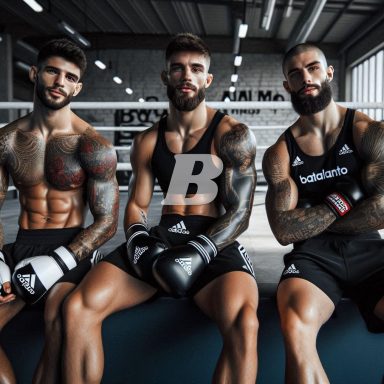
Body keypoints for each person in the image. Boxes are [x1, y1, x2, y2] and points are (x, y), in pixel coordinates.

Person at [63, 32, 258, 384]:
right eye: (178, 68)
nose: (187, 75)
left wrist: (201, 251)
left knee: (245, 321)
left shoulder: (231, 134)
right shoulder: (147, 140)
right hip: (163, 239)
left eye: (196, 69)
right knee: (79, 307)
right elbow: (137, 203)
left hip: (214, 243)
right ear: (165, 76)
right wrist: (138, 239)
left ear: (207, 80)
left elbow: (241, 211)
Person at [262, 42, 384, 383]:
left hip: (370, 250)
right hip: (313, 258)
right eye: (295, 74)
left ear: (329, 72)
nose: (306, 78)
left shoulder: (367, 132)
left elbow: (382, 210)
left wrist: (318, 217)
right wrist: (342, 202)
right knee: (295, 323)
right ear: (287, 85)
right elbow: (284, 231)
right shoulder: (279, 153)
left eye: (313, 68)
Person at [0, 38, 119, 384]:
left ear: (78, 87)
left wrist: (58, 263)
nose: (59, 82)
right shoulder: (7, 139)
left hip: (73, 248)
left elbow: (107, 222)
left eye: (69, 77)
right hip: (21, 245)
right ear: (36, 73)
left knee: (58, 320)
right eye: (53, 71)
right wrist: (0, 264)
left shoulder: (92, 143)